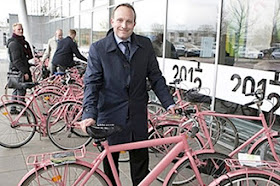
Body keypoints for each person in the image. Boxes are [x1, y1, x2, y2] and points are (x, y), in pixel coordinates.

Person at [79, 3, 175, 186]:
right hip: (110, 116)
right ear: (112, 21)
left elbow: (155, 77)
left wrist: (169, 104)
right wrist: (89, 114)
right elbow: (91, 84)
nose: (124, 25)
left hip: (137, 116)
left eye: (129, 21)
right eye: (120, 20)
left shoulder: (145, 45)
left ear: (134, 23)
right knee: (111, 171)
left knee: (141, 169)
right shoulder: (98, 49)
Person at [7, 22, 33, 114]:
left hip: (16, 70)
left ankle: (13, 108)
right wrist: (25, 72)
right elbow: (17, 60)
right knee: (21, 91)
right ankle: (22, 109)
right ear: (14, 31)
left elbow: (28, 56)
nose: (21, 30)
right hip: (18, 71)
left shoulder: (22, 42)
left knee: (16, 89)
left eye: (22, 29)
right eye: (19, 29)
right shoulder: (14, 44)